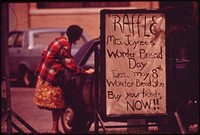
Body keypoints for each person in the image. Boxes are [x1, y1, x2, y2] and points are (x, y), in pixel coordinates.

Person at [33, 25, 94, 134]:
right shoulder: (64, 44)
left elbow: (45, 53)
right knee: (59, 103)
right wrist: (85, 72)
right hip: (51, 77)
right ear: (74, 35)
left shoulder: (58, 40)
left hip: (47, 75)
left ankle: (54, 129)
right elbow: (70, 66)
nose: (78, 39)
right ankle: (54, 129)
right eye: (78, 36)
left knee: (58, 104)